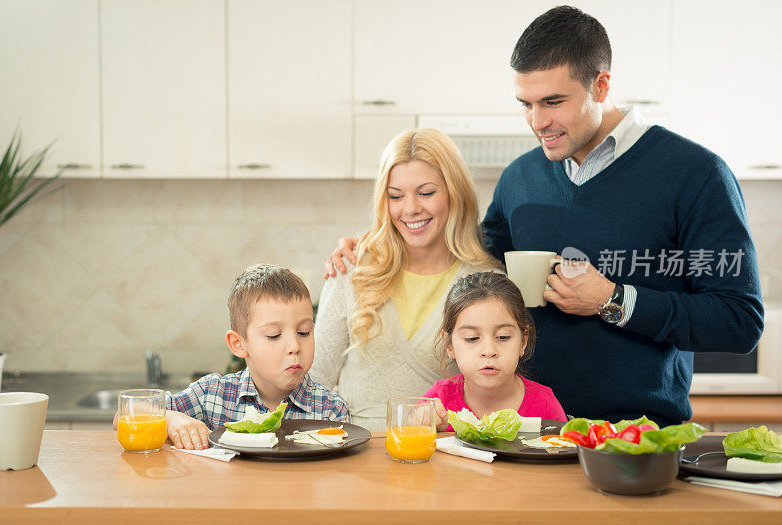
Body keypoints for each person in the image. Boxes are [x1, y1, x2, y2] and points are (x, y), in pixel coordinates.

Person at [325, 6, 763, 427]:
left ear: (602, 85)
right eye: (526, 103)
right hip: (523, 435)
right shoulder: (521, 178)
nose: (537, 122)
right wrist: (376, 240)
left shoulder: (694, 174)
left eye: (553, 102)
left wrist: (614, 300)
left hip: (634, 436)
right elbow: (463, 249)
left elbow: (739, 322)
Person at [310, 128, 501, 431]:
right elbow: (314, 381)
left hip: (443, 460)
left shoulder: (487, 285)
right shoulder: (353, 270)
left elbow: (497, 396)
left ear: (455, 193)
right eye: (395, 196)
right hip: (354, 457)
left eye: (426, 193)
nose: (410, 208)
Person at [160, 264, 350, 450]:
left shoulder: (330, 410)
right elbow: (135, 409)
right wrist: (171, 418)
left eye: (304, 332)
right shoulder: (211, 395)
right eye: (274, 335)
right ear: (239, 344)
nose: (294, 346)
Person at [425, 272, 566, 431]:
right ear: (449, 345)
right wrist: (430, 431)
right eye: (472, 338)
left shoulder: (545, 405)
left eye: (503, 337)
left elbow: (566, 452)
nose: (489, 351)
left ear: (523, 341)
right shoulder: (436, 403)